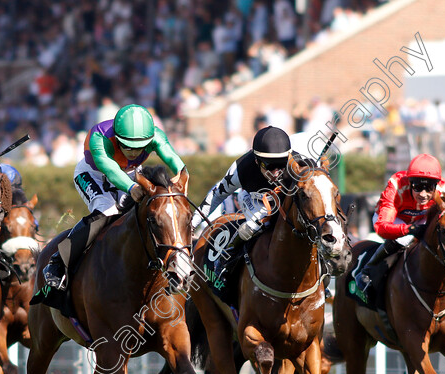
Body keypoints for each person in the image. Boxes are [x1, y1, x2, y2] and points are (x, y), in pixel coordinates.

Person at [41, 104, 187, 290]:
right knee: (107, 209)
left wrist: (183, 175)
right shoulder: (98, 137)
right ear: (117, 138)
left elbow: (175, 162)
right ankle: (58, 262)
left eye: (139, 147)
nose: (134, 152)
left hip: (129, 173)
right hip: (93, 173)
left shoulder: (157, 136)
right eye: (127, 146)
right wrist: (131, 187)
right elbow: (110, 171)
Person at [355, 153, 445, 293]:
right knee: (405, 239)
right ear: (410, 183)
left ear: (437, 185)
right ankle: (368, 270)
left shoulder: (444, 188)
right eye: (417, 187)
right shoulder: (396, 185)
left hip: (419, 219)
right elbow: (382, 227)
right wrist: (409, 229)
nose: (423, 194)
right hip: (392, 219)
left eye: (429, 188)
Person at [192, 125, 298, 241]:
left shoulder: (300, 165)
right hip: (256, 200)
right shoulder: (240, 170)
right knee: (252, 229)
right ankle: (233, 253)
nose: (276, 173)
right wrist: (192, 225)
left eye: (282, 164)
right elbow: (216, 196)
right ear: (257, 161)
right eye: (270, 165)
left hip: (287, 200)